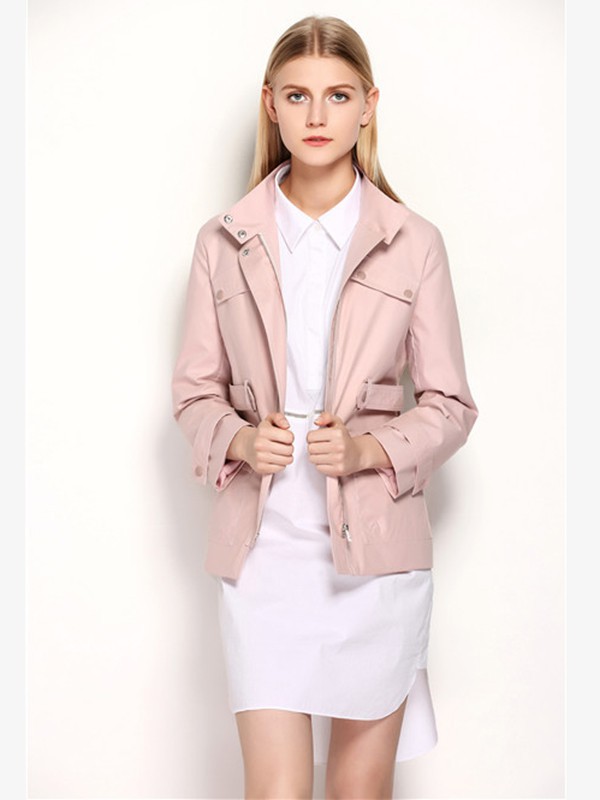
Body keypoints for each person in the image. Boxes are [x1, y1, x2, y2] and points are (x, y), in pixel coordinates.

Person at [171, 14, 478, 800]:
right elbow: (194, 394)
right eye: (298, 95)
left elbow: (450, 403)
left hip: (375, 550)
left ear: (368, 106)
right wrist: (240, 440)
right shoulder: (222, 240)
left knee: (357, 792)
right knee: (275, 789)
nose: (317, 115)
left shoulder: (413, 241)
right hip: (262, 548)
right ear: (270, 103)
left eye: (338, 95)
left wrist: (371, 450)